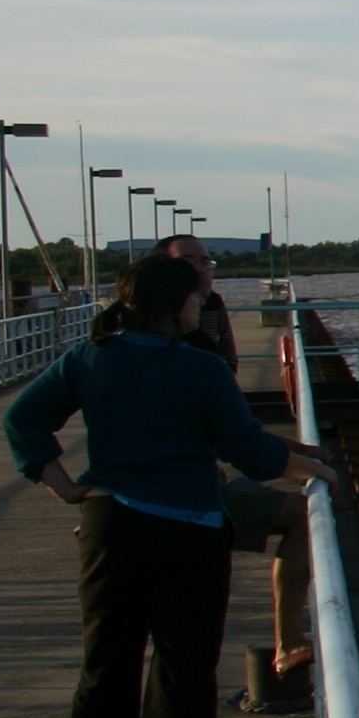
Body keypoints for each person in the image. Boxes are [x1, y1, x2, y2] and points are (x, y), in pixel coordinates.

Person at [4, 255, 338, 718]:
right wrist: (320, 472)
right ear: (172, 304)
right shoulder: (201, 369)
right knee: (183, 668)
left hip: (110, 528)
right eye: (195, 299)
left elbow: (22, 419)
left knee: (106, 666)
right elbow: (250, 454)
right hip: (189, 531)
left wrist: (62, 486)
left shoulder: (90, 358)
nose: (200, 309)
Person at [96, 234, 319, 674]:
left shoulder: (111, 351)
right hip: (182, 509)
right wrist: (306, 465)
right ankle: (288, 642)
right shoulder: (182, 358)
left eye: (206, 260)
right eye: (190, 263)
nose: (203, 269)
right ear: (167, 281)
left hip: (128, 511)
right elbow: (240, 443)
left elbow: (225, 410)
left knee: (114, 664)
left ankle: (286, 642)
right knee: (182, 659)